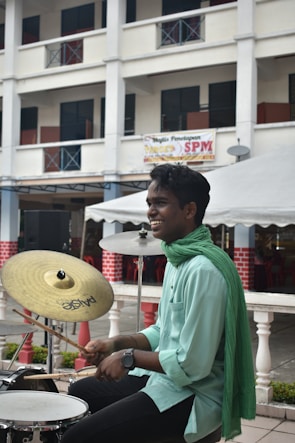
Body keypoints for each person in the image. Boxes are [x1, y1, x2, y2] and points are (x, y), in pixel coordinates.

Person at [61, 164, 256, 443]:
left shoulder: (204, 269)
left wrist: (128, 357)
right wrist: (116, 343)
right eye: (150, 203)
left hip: (194, 394)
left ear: (189, 210)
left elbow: (193, 365)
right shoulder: (178, 258)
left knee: (75, 438)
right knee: (81, 392)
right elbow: (162, 330)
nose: (151, 211)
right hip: (170, 379)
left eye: (161, 203)